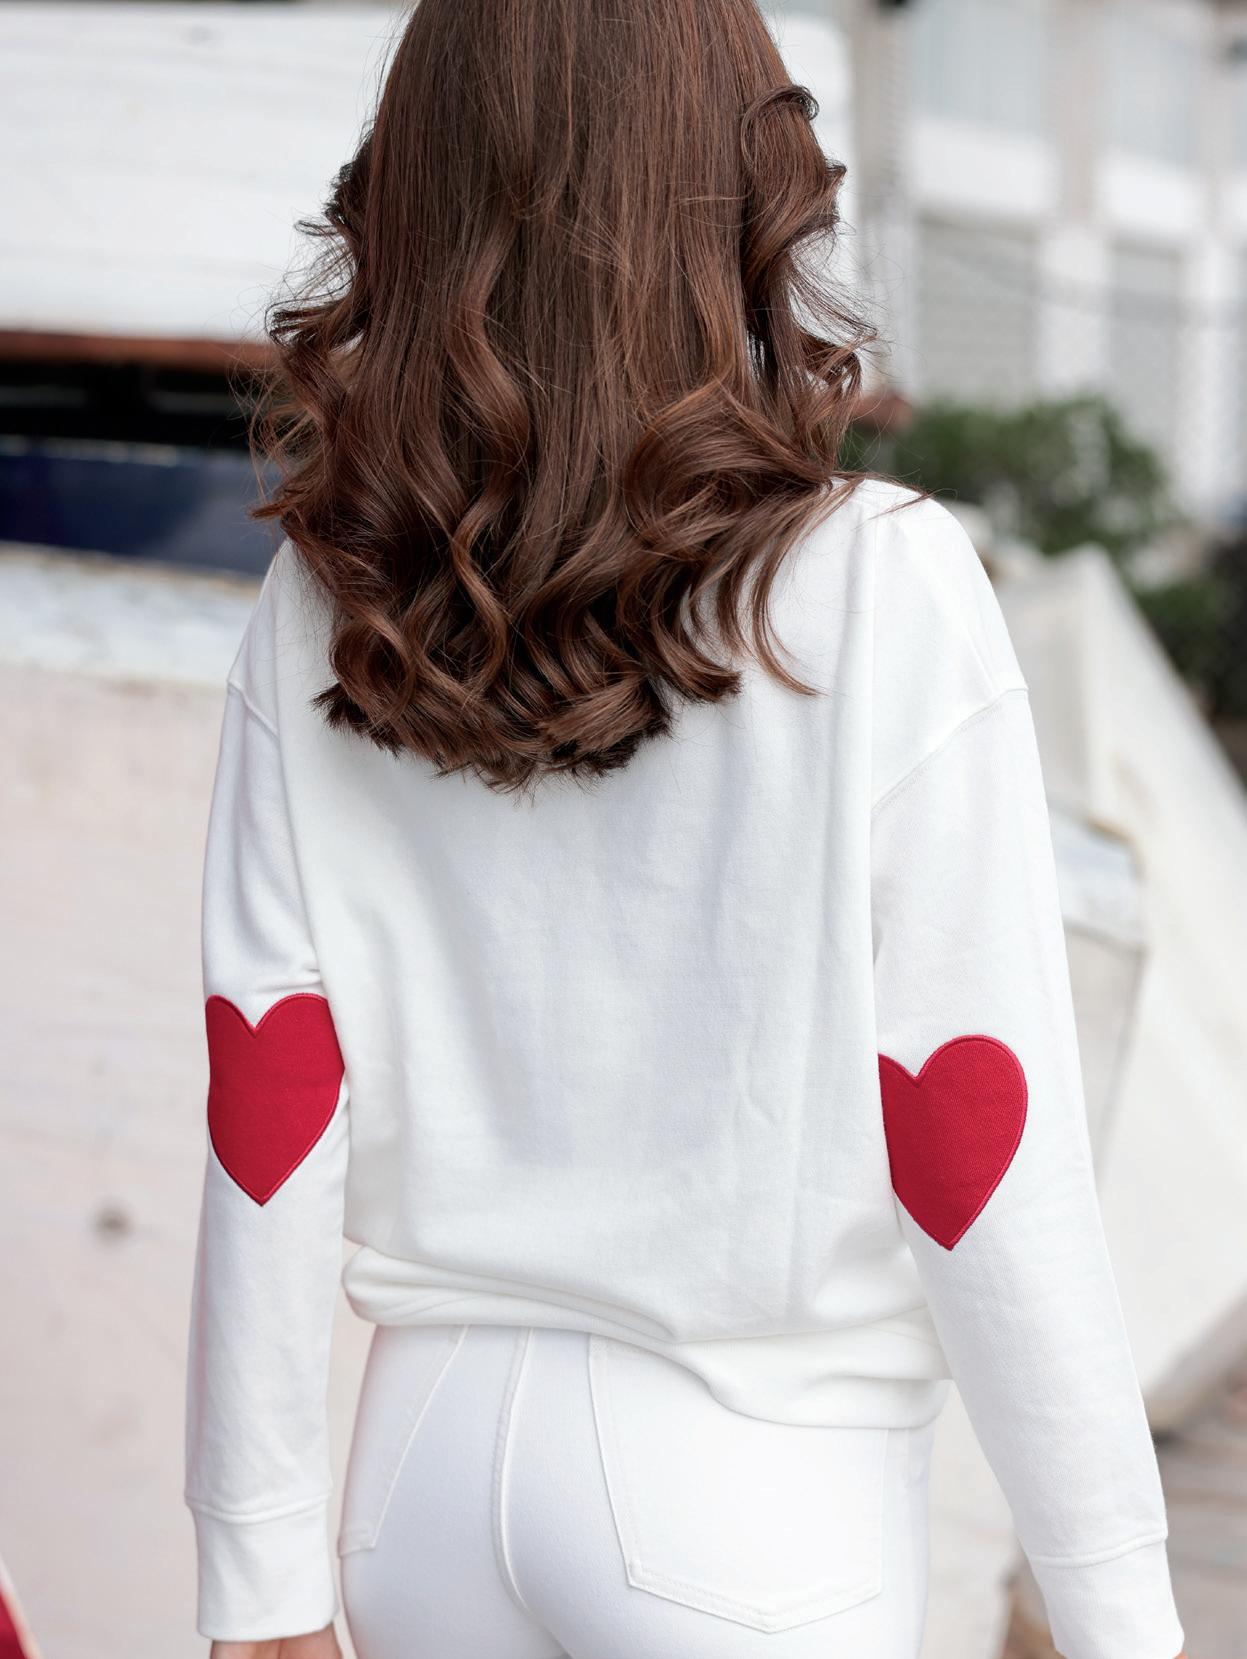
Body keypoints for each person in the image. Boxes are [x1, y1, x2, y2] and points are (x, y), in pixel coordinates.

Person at [182, 2, 1188, 1657]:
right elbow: (975, 1152)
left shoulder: (321, 604)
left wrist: (258, 1566)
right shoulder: (880, 584)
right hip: (754, 1501)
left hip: (416, 1480)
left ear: (417, 191)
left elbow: (269, 1101)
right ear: (740, 184)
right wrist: (1120, 1614)